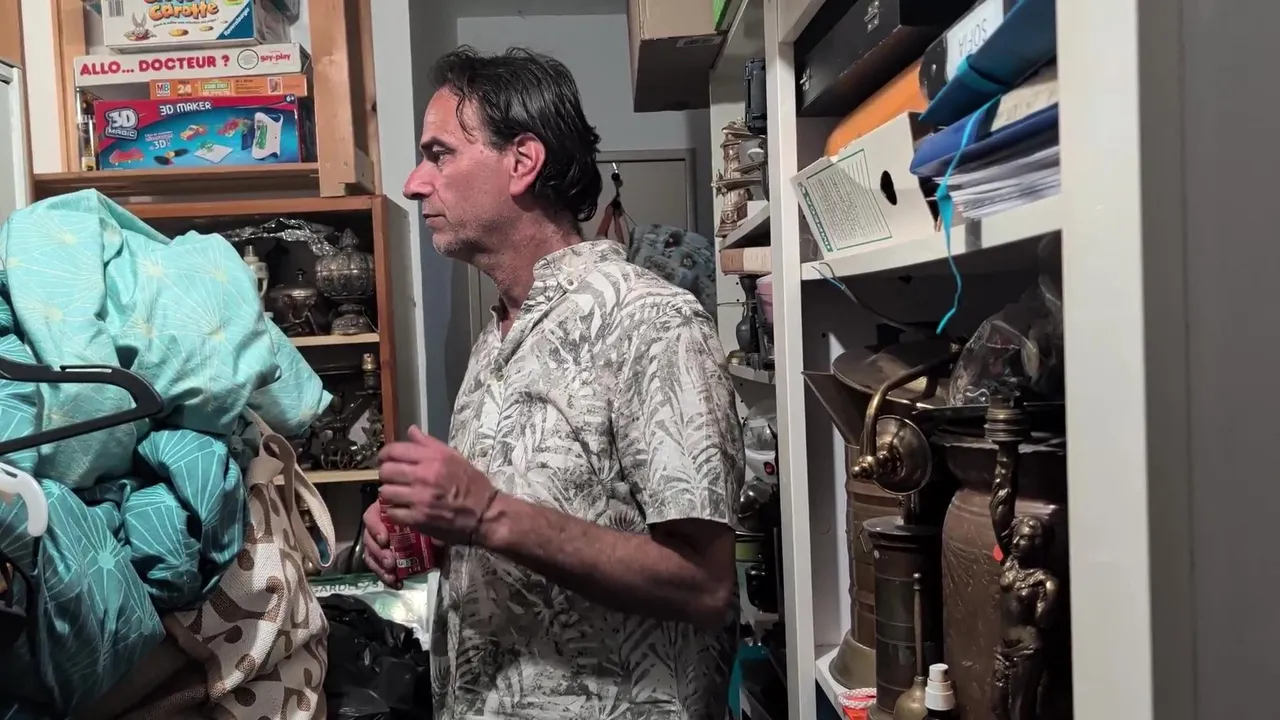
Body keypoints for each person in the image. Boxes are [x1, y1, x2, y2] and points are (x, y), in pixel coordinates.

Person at [361, 46, 745, 720]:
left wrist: (488, 515)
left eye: (439, 154)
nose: (415, 183)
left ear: (523, 161)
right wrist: (439, 535)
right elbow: (533, 525)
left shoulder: (650, 323)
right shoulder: (498, 337)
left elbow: (705, 587)